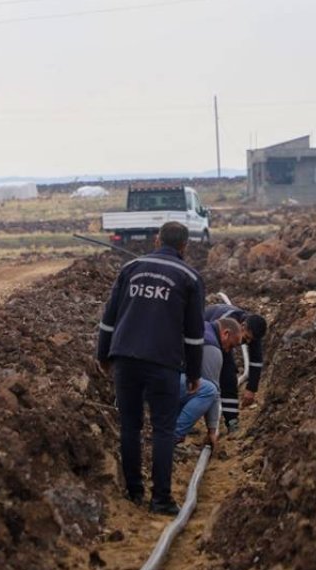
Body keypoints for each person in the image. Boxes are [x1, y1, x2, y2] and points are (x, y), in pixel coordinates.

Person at [97, 221, 206, 516]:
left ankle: (134, 491)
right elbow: (195, 334)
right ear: (184, 245)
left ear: (157, 240)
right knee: (162, 429)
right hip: (163, 364)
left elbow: (109, 318)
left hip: (125, 359)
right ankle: (161, 499)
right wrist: (195, 373)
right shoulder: (189, 277)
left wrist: (103, 355)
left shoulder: (131, 268)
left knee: (130, 426)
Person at [173, 317, 243, 449]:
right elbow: (213, 393)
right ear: (225, 333)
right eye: (231, 345)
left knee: (195, 388)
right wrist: (212, 430)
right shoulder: (212, 348)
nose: (228, 351)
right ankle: (173, 435)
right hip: (165, 382)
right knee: (208, 390)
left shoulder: (203, 327)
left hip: (156, 375)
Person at [203, 303, 269, 434]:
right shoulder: (224, 321)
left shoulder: (252, 329)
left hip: (220, 343)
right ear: (242, 326)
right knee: (212, 381)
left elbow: (256, 361)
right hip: (205, 342)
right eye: (246, 338)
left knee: (229, 378)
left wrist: (251, 388)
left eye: (251, 340)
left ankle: (231, 421)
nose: (247, 343)